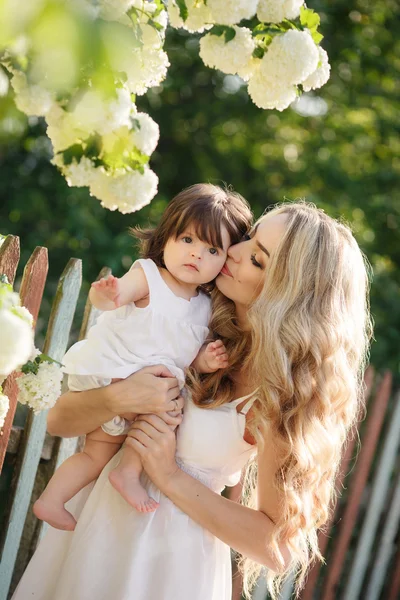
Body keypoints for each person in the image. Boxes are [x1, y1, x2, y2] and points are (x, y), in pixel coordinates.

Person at [12, 201, 372, 600]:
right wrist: (119, 396)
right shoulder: (191, 327)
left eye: (255, 257)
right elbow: (60, 422)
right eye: (249, 235)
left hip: (169, 565)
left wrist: (169, 476)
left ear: (288, 293)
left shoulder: (277, 395)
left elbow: (277, 548)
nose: (233, 250)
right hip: (95, 528)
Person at [33, 183, 252, 528]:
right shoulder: (149, 277)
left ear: (225, 263)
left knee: (124, 439)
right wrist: (109, 295)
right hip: (120, 374)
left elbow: (184, 361)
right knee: (129, 431)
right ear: (166, 238)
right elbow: (115, 298)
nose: (196, 254)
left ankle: (81, 490)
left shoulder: (205, 308)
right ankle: (81, 489)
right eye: (187, 240)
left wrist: (203, 362)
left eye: (213, 250)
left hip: (154, 394)